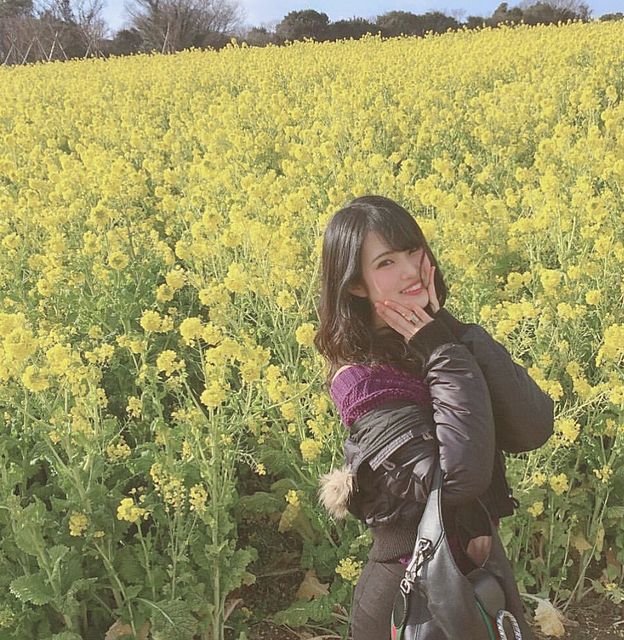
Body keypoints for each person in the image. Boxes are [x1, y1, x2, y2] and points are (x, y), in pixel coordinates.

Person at [313, 195, 554, 640]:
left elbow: (532, 427)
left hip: (478, 580)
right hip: (415, 595)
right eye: (386, 262)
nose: (409, 270)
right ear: (356, 286)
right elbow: (456, 480)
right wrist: (443, 351)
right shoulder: (362, 381)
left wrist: (448, 330)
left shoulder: (437, 340)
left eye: (413, 251)